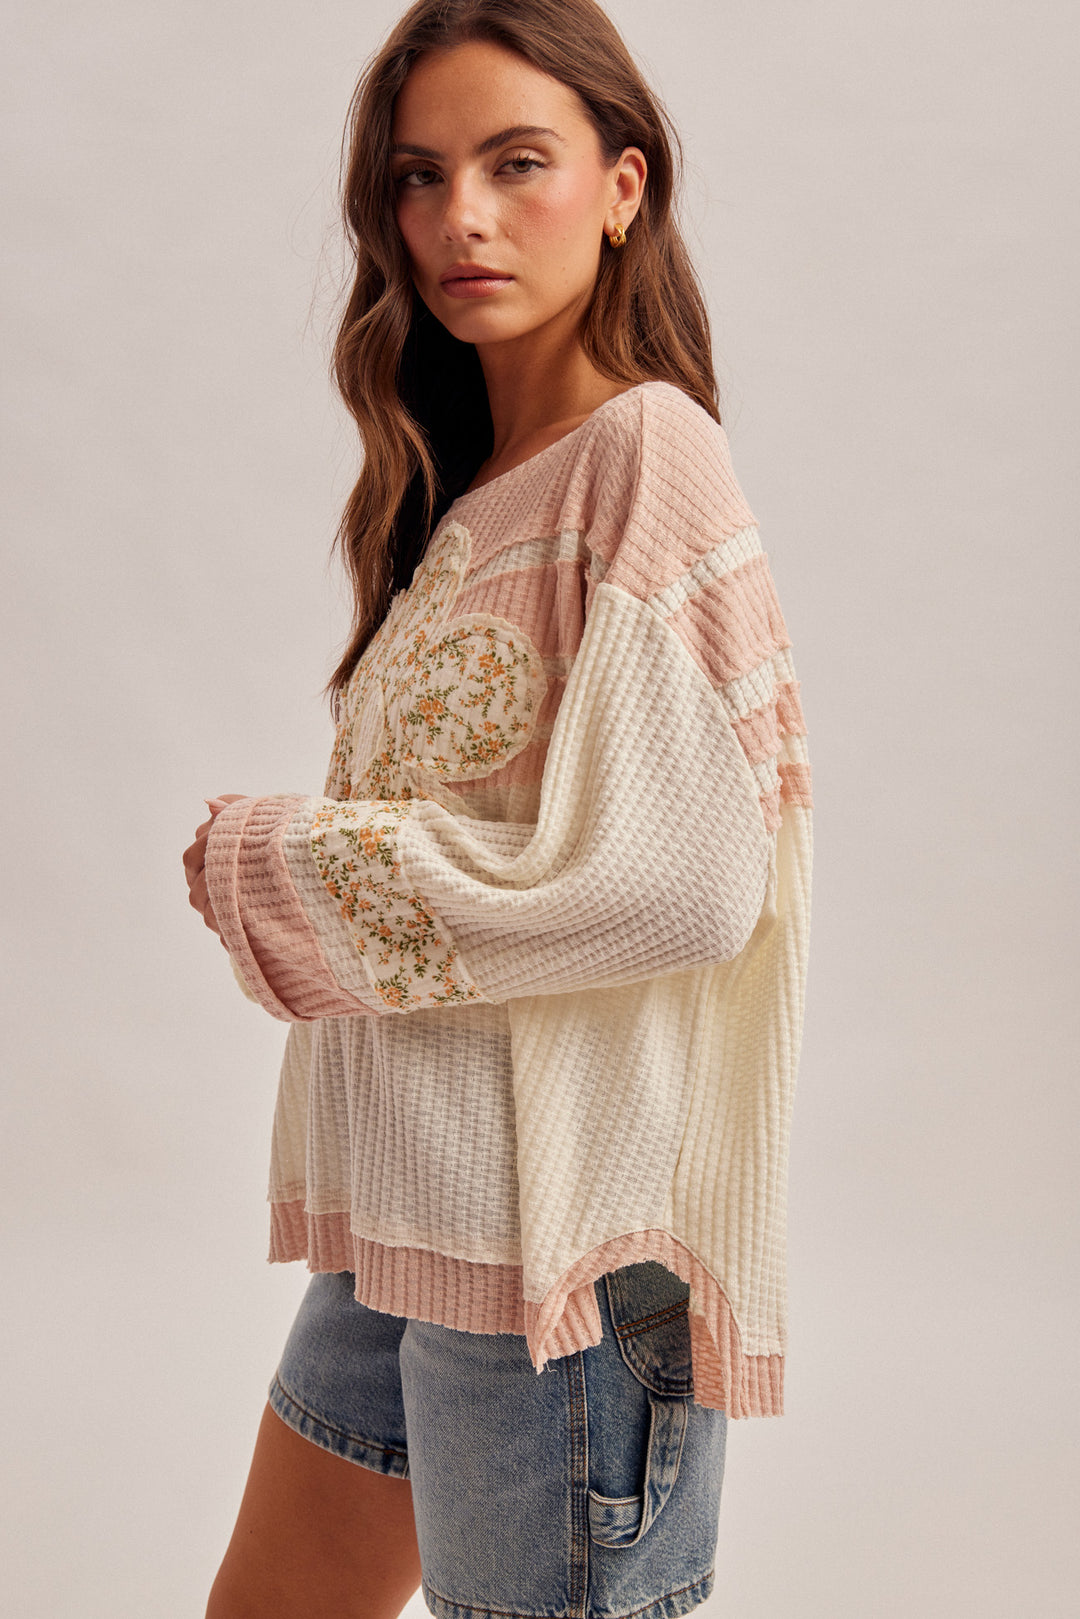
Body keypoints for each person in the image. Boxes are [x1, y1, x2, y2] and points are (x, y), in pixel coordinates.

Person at [183, 2, 814, 1615]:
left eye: (514, 162)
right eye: (417, 174)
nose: (456, 217)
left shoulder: (647, 454)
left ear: (622, 185)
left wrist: (294, 859)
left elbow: (683, 881)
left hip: (577, 1278)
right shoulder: (467, 486)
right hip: (411, 1226)